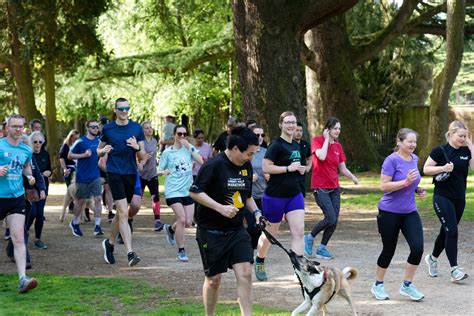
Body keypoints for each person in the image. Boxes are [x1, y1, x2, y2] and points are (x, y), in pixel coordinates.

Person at [189, 126, 261, 316]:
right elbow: (194, 192)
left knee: (245, 273)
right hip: (211, 231)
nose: (251, 158)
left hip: (237, 230)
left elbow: (247, 196)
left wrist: (257, 213)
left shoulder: (246, 165)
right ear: (236, 148)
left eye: (254, 154)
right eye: (249, 153)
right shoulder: (213, 165)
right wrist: (219, 207)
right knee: (214, 279)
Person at [370, 128, 426, 301]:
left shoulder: (414, 158)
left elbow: (411, 182)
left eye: (414, 141)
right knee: (389, 250)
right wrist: (405, 182)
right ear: (399, 142)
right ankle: (378, 285)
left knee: (417, 248)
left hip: (409, 211)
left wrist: (416, 188)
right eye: (409, 141)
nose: (413, 144)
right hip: (389, 212)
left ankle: (407, 285)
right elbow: (384, 186)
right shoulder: (391, 161)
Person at [254, 111, 307, 282]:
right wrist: (287, 169)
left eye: (293, 122)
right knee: (271, 234)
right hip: (275, 196)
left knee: (299, 232)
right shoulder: (276, 145)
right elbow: (266, 168)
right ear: (281, 125)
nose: (291, 125)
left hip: (294, 195)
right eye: (287, 122)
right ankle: (260, 260)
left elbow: (295, 166)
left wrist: (299, 169)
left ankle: (298, 269)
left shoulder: (296, 146)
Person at [98, 97, 146, 267]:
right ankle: (130, 253)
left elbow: (143, 156)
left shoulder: (136, 128)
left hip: (130, 173)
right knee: (124, 212)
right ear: (115, 109)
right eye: (121, 109)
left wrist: (136, 147)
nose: (124, 111)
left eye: (127, 108)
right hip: (114, 172)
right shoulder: (109, 129)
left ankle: (109, 244)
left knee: (121, 212)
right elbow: (99, 150)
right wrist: (102, 151)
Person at [423, 120, 473, 283]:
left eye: (465, 136)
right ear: (451, 134)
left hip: (459, 198)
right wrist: (442, 168)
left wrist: (471, 145)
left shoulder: (466, 151)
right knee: (452, 231)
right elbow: (426, 169)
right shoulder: (440, 151)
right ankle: (454, 270)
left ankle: (432, 258)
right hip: (442, 197)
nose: (462, 138)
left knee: (446, 231)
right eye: (460, 136)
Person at [304, 117, 358, 260]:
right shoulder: (317, 141)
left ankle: (322, 248)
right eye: (335, 128)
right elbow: (321, 156)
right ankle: (309, 237)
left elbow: (342, 168)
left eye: (339, 129)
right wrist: (327, 139)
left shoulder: (338, 147)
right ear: (328, 129)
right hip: (320, 186)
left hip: (334, 187)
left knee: (334, 220)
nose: (338, 131)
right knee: (330, 217)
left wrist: (352, 177)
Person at [0, 114, 38, 293]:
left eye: (20, 126)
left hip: (16, 198)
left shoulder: (26, 150)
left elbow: (26, 167)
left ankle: (23, 278)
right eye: (14, 126)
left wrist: (29, 176)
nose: (17, 129)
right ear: (7, 128)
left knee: (18, 237)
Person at [160, 125, 203, 262]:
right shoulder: (168, 152)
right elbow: (159, 169)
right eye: (179, 134)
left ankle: (171, 230)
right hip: (173, 190)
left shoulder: (189, 149)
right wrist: (163, 172)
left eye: (185, 134)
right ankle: (181, 250)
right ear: (174, 135)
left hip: (187, 190)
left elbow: (201, 161)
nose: (182, 137)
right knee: (182, 219)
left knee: (188, 222)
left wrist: (189, 146)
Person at [68, 119, 104, 237]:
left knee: (98, 199)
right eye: (93, 127)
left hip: (95, 175)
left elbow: (102, 154)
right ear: (87, 128)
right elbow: (70, 155)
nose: (95, 129)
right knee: (80, 201)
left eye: (97, 127)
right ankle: (75, 222)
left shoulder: (99, 141)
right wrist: (83, 155)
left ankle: (97, 226)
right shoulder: (80, 141)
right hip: (82, 176)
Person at [26, 131, 51, 250]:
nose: (37, 144)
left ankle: (37, 239)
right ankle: (23, 232)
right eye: (35, 142)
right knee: (32, 213)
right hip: (29, 189)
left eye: (40, 142)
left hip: (43, 187)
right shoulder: (28, 154)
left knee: (40, 214)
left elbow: (49, 169)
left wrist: (47, 173)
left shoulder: (45, 154)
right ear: (31, 142)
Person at [139, 121, 162, 231]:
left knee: (155, 197)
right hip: (141, 174)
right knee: (137, 198)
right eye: (147, 128)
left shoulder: (154, 141)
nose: (149, 130)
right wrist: (143, 158)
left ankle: (157, 220)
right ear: (142, 130)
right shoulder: (140, 142)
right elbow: (136, 156)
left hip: (152, 173)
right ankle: (129, 218)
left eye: (150, 127)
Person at [248, 124, 268, 250]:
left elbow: (273, 168)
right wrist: (249, 177)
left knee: (262, 225)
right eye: (257, 135)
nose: (260, 137)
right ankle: (249, 249)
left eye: (262, 135)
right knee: (252, 226)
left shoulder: (267, 152)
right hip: (249, 196)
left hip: (264, 195)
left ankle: (256, 251)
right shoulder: (246, 152)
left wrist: (270, 175)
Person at [294, 122, 312, 195]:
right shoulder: (288, 144)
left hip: (301, 178)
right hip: (289, 178)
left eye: (301, 131)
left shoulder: (306, 144)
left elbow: (310, 157)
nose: (299, 133)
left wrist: (308, 167)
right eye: (297, 130)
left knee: (300, 199)